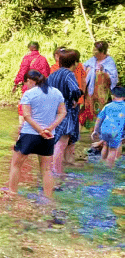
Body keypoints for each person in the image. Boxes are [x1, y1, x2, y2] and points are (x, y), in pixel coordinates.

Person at [5, 69, 66, 200]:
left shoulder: (28, 94)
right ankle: (48, 198)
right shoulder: (57, 93)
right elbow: (62, 113)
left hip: (29, 134)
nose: (25, 85)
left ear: (31, 81)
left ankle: (12, 193)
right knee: (46, 170)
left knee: (16, 165)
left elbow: (26, 116)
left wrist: (39, 130)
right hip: (49, 135)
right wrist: (49, 128)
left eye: (25, 82)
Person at [47, 49, 84, 181]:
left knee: (55, 141)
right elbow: (75, 90)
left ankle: (51, 169)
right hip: (66, 111)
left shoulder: (52, 75)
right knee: (61, 143)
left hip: (53, 112)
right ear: (74, 62)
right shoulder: (69, 74)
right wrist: (76, 97)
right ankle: (58, 172)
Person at [91, 86, 125, 168]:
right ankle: (109, 167)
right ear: (124, 97)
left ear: (112, 96)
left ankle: (102, 162)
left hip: (104, 130)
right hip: (116, 132)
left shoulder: (107, 106)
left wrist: (95, 131)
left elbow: (99, 119)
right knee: (112, 150)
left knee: (105, 144)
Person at [84, 41, 119, 119]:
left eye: (95, 50)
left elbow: (113, 77)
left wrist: (103, 73)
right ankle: (91, 128)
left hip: (102, 91)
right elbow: (83, 69)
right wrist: (89, 71)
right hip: (90, 90)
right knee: (90, 108)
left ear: (102, 51)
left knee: (101, 108)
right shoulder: (92, 60)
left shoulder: (109, 61)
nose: (93, 51)